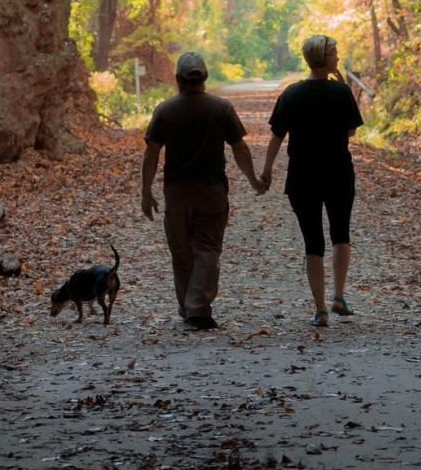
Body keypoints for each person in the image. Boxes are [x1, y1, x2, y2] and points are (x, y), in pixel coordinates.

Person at [141, 51, 265, 330]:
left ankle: (190, 306)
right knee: (207, 249)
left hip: (176, 191)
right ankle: (196, 307)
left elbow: (151, 153)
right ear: (205, 78)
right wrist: (253, 180)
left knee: (182, 250)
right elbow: (240, 149)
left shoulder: (165, 110)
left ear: (177, 79)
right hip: (212, 190)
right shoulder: (221, 108)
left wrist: (145, 191)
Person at [260, 33, 362, 327]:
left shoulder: (291, 94)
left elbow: (276, 137)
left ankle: (320, 309)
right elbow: (351, 132)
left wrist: (266, 171)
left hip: (302, 177)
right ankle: (339, 296)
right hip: (338, 173)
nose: (339, 57)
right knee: (340, 234)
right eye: (335, 54)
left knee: (312, 242)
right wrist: (341, 87)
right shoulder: (341, 93)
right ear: (326, 59)